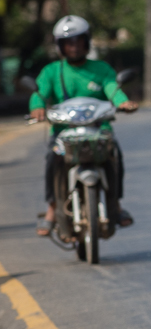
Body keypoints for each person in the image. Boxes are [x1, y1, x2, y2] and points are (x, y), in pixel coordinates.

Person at [29, 15, 138, 236]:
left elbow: (113, 89)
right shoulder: (52, 71)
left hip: (99, 131)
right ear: (60, 45)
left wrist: (123, 102)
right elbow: (39, 94)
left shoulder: (101, 69)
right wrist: (37, 108)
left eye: (79, 41)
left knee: (114, 155)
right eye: (68, 42)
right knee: (52, 158)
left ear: (87, 41)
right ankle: (52, 208)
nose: (74, 46)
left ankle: (115, 204)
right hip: (63, 134)